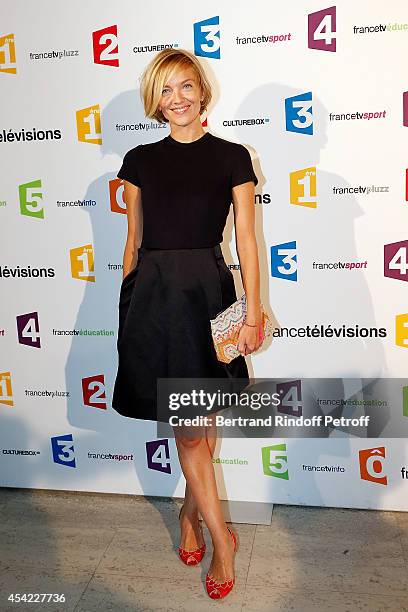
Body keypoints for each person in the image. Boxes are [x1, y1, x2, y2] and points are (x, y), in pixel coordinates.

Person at [112, 47, 264, 600]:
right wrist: (127, 311)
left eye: (185, 86)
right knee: (193, 430)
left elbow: (245, 241)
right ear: (155, 100)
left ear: (202, 90)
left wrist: (252, 309)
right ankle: (221, 539)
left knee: (200, 426)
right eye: (165, 89)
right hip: (153, 303)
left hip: (209, 295)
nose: (176, 98)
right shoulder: (139, 160)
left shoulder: (232, 157)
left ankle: (192, 519)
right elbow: (132, 243)